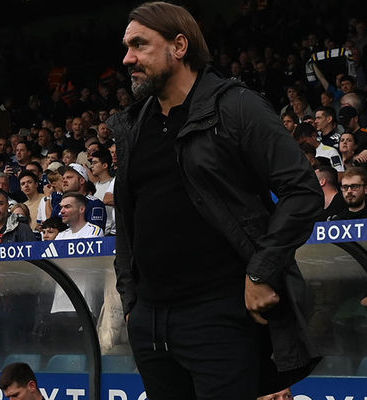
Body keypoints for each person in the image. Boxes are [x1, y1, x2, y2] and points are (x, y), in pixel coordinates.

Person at [111, 3, 323, 398]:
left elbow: (303, 192)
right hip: (150, 324)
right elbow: (127, 218)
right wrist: (131, 301)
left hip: (218, 316)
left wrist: (260, 273)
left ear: (179, 46)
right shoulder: (134, 123)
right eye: (127, 47)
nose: (128, 58)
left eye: (139, 45)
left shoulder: (236, 106)